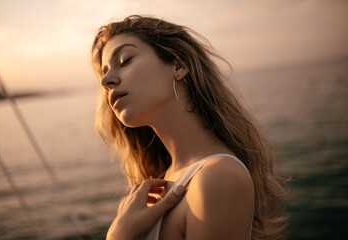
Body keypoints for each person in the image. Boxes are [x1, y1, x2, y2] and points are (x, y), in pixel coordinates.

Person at [91, 15, 289, 240]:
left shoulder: (218, 176)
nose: (105, 80)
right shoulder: (160, 182)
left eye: (125, 60)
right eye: (104, 71)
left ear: (178, 65)